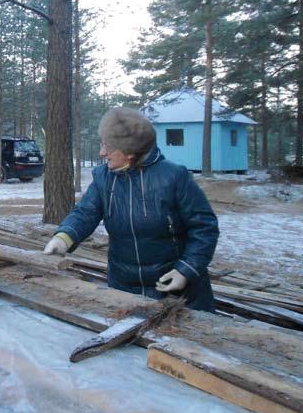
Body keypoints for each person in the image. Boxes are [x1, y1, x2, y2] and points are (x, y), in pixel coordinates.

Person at [43, 107, 219, 312]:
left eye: (108, 147)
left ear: (130, 153)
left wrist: (185, 270)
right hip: (123, 290)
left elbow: (204, 228)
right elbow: (85, 213)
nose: (102, 153)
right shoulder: (103, 178)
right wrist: (63, 237)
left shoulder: (174, 177)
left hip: (177, 293)